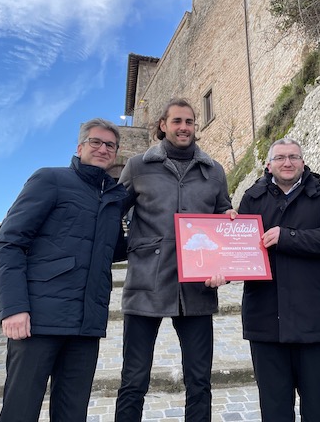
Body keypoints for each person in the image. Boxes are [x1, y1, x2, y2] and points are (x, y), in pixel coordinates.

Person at [0, 118, 128, 422]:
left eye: (110, 145)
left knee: (72, 413)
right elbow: (9, 243)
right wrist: (13, 308)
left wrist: (164, 235)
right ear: (80, 147)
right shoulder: (50, 179)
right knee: (20, 411)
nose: (103, 149)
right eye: (96, 142)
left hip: (86, 324)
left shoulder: (113, 198)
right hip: (39, 321)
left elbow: (114, 250)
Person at [114, 99, 235, 422]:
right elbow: (112, 213)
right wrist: (128, 247)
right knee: (133, 380)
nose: (184, 127)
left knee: (199, 381)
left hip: (197, 288)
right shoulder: (137, 166)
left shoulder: (214, 171)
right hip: (146, 284)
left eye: (189, 121)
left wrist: (226, 255)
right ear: (163, 125)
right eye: (177, 121)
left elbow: (224, 217)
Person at [237, 137, 320, 421]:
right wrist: (221, 271)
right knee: (274, 410)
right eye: (280, 157)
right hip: (265, 320)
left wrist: (287, 237)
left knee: (316, 408)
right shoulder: (252, 198)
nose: (287, 162)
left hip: (312, 320)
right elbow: (238, 249)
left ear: (303, 162)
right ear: (269, 165)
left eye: (293, 157)